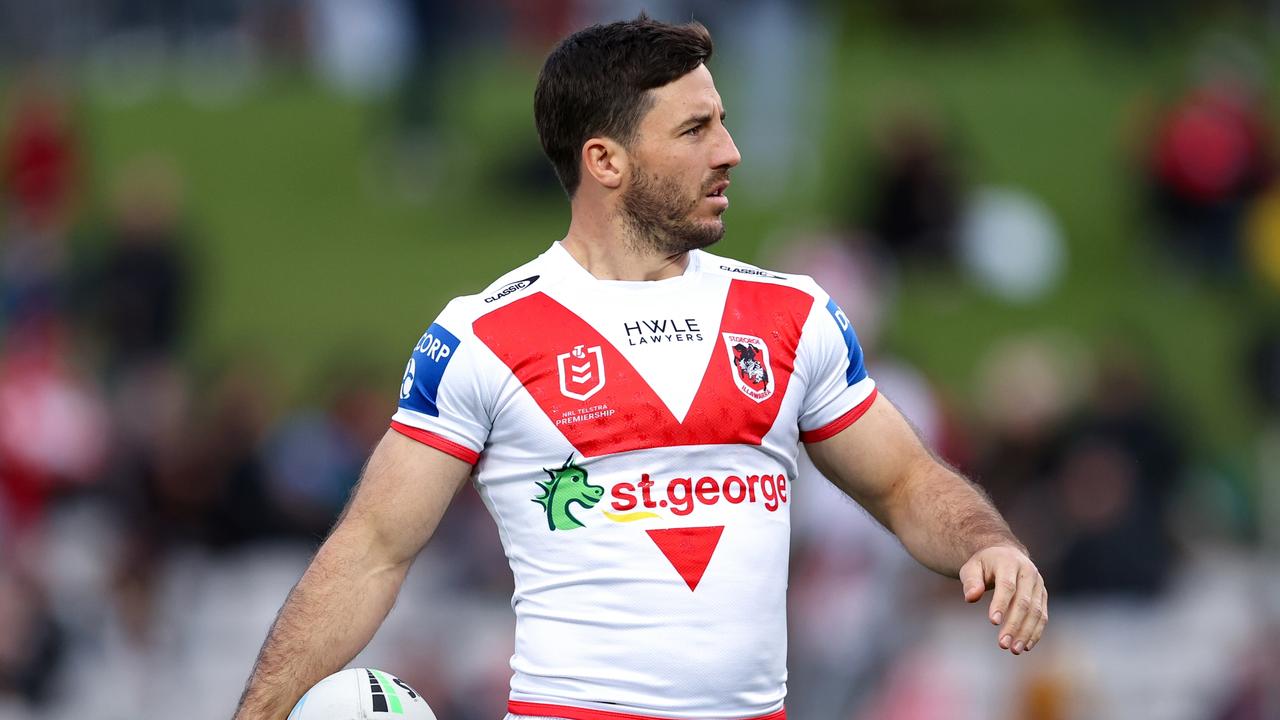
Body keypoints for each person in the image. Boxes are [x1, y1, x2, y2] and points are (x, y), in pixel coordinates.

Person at [233, 15, 1047, 720]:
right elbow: (372, 548)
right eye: (695, 130)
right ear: (606, 161)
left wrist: (990, 540)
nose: (730, 151)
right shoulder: (487, 336)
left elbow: (904, 481)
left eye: (722, 122)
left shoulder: (791, 316)